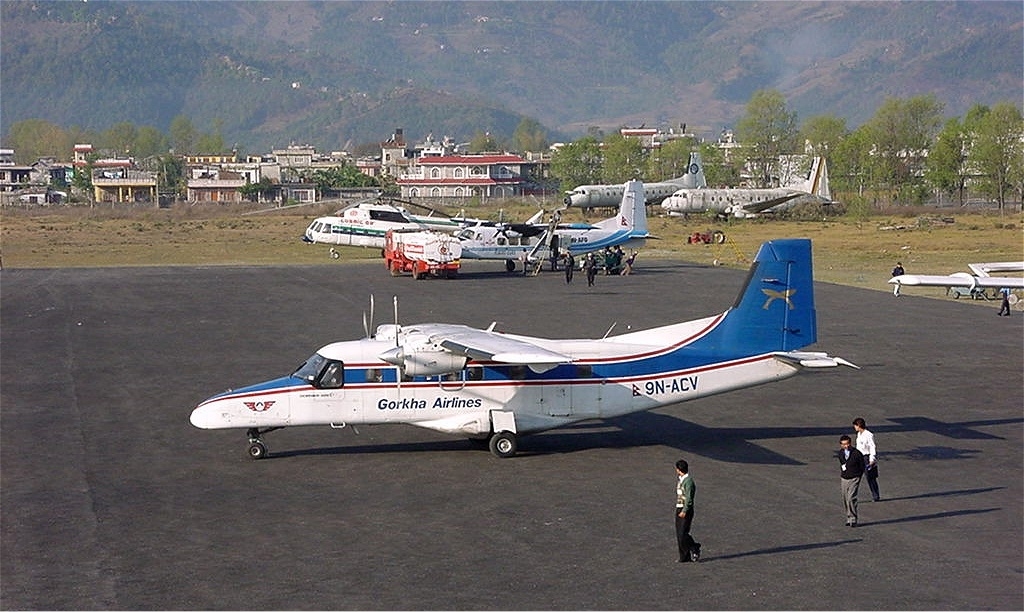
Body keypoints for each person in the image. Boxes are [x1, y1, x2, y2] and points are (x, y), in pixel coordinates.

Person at [674, 459, 700, 562]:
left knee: (683, 533)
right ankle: (684, 557)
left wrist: (684, 510)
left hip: (686, 509)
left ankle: (694, 547)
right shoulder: (681, 479)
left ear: (678, 469)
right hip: (679, 507)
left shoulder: (688, 482)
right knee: (679, 533)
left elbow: (689, 498)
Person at [837, 434, 865, 527]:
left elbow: (862, 466)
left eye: (848, 444)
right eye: (844, 444)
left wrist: (859, 475)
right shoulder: (840, 453)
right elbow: (842, 464)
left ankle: (853, 518)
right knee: (845, 498)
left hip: (854, 478)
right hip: (844, 478)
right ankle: (848, 517)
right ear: (841, 445)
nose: (846, 446)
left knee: (851, 497)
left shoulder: (857, 453)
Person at [853, 417, 880, 501]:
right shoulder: (859, 434)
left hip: (866, 457)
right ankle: (853, 495)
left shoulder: (868, 435)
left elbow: (872, 447)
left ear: (858, 425)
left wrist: (872, 459)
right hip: (859, 457)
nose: (854, 427)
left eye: (855, 425)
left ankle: (875, 495)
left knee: (870, 477)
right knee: (856, 476)